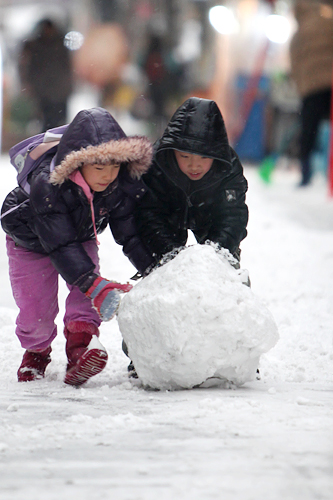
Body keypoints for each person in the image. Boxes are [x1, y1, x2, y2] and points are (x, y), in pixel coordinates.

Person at [1, 107, 154, 385]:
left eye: (115, 166)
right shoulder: (48, 186)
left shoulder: (115, 185)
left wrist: (153, 267)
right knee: (37, 309)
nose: (108, 175)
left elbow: (129, 232)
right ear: (76, 163)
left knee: (87, 294)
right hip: (31, 242)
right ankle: (36, 353)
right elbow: (60, 244)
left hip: (79, 236)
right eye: (99, 167)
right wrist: (93, 284)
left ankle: (81, 348)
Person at [134, 97, 248, 271]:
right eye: (185, 157)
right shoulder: (157, 164)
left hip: (208, 217)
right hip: (169, 217)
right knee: (164, 267)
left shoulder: (227, 167)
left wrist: (215, 254)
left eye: (204, 157)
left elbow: (232, 216)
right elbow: (149, 214)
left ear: (216, 155)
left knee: (221, 263)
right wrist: (170, 255)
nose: (194, 166)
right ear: (172, 151)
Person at [289, 0, 333, 186]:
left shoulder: (298, 35)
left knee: (309, 130)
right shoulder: (329, 21)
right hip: (331, 82)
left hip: (311, 86)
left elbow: (294, 64)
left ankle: (305, 172)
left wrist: (302, 87)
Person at [19, 18, 73, 131]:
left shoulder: (60, 44)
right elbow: (26, 66)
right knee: (47, 121)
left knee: (60, 121)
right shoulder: (35, 45)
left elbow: (67, 66)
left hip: (58, 89)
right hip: (44, 90)